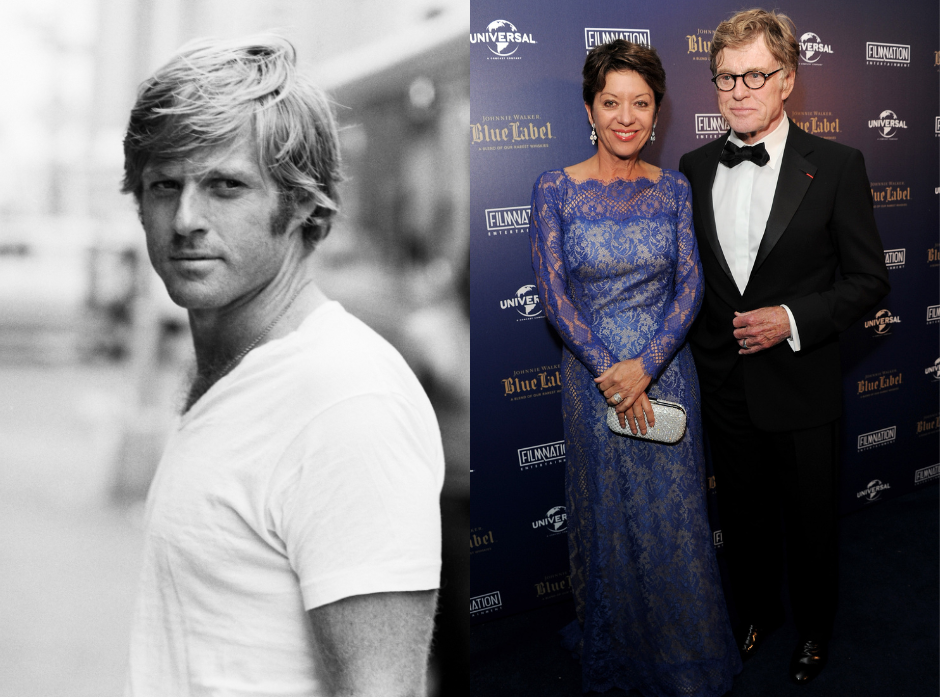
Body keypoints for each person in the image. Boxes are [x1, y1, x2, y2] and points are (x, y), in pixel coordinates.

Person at [120, 35, 445, 696]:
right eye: (164, 186)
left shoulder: (343, 400)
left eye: (225, 186)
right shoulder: (239, 372)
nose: (186, 219)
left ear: (302, 204)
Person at [678, 9, 890, 685]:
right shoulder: (690, 166)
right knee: (740, 519)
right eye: (725, 78)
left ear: (788, 79)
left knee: (810, 525)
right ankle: (757, 614)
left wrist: (792, 317)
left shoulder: (836, 165)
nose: (738, 91)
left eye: (755, 76)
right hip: (725, 384)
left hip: (802, 382)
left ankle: (815, 629)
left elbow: (868, 280)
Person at [528, 39, 741, 696]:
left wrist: (646, 365)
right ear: (590, 110)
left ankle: (681, 654)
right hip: (593, 384)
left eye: (640, 103)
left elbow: (691, 287)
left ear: (657, 111)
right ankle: (620, 651)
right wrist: (611, 372)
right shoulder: (553, 189)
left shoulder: (675, 187)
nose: (626, 116)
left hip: (667, 371)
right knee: (609, 519)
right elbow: (555, 295)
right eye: (611, 102)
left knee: (672, 523)